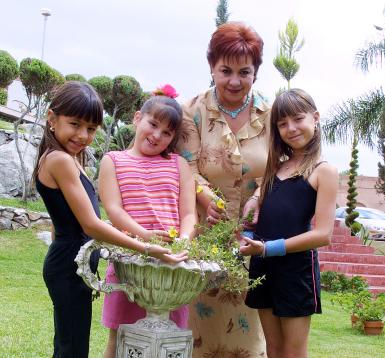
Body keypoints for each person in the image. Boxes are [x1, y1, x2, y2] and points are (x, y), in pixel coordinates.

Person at [33, 81, 188, 358]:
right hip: (68, 265)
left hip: (71, 263)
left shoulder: (67, 157)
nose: (83, 135)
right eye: (75, 124)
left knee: (70, 343)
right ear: (51, 119)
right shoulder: (60, 160)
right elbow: (91, 224)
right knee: (72, 347)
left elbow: (61, 222)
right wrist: (146, 245)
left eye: (91, 128)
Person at [176, 22, 268, 357]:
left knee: (248, 332)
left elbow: (280, 169)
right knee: (197, 334)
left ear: (255, 72)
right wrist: (202, 194)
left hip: (253, 242)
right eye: (225, 70)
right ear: (211, 68)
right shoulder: (193, 111)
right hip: (204, 240)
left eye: (244, 72)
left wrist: (259, 197)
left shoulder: (271, 115)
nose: (234, 81)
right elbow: (185, 164)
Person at [99, 85, 197, 358]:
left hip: (170, 269)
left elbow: (189, 214)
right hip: (129, 264)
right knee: (118, 339)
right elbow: (114, 210)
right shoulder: (113, 161)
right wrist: (146, 237)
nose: (157, 135)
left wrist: (183, 241)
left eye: (167, 132)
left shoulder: (178, 164)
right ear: (137, 118)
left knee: (167, 340)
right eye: (153, 124)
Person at [239, 88, 339, 358]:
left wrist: (266, 248)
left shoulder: (323, 171)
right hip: (263, 268)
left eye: (297, 119)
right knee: (274, 350)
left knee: (293, 352)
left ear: (315, 118)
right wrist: (254, 200)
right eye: (282, 124)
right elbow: (265, 197)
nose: (291, 128)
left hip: (296, 272)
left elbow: (323, 234)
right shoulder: (275, 168)